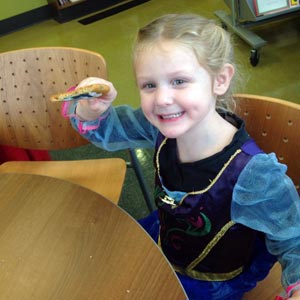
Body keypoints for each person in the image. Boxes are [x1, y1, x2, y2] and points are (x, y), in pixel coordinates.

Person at [63, 14, 300, 300]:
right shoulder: (157, 126)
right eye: (149, 85)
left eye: (179, 81)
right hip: (164, 237)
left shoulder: (255, 176)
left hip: (211, 283)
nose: (162, 98)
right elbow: (108, 131)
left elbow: (293, 239)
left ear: (220, 80)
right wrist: (91, 110)